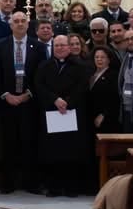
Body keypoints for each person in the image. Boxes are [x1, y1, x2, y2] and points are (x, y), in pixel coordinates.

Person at [0, 10, 44, 194]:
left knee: (29, 142)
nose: (20, 24)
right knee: (8, 143)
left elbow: (41, 75)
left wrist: (28, 94)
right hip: (7, 101)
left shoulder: (37, 47)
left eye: (23, 21)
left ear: (28, 24)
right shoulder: (1, 45)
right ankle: (8, 182)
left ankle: (30, 182)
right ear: (11, 24)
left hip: (29, 102)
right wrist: (6, 94)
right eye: (16, 21)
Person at [35, 35, 91, 197]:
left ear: (69, 47)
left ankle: (71, 187)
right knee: (52, 152)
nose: (59, 48)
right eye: (56, 45)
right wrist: (54, 100)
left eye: (62, 45)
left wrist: (67, 102)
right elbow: (39, 85)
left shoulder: (79, 66)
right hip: (51, 113)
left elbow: (82, 87)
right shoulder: (44, 66)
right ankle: (54, 186)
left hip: (71, 113)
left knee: (71, 151)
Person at [87, 46, 121, 190]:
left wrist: (104, 114)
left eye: (102, 57)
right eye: (97, 57)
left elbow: (115, 98)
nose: (99, 60)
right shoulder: (92, 74)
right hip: (91, 118)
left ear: (108, 59)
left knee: (104, 153)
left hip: (106, 120)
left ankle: (105, 185)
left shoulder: (114, 75)